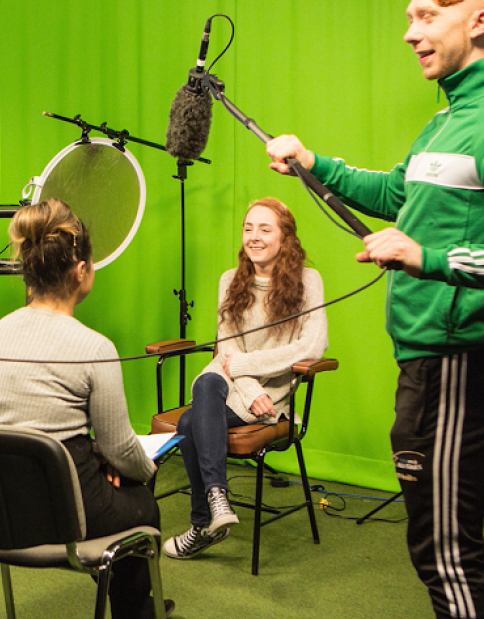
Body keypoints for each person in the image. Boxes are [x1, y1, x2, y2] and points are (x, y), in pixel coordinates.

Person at [265, 1, 484, 616]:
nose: (410, 32)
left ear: (478, 17)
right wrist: (312, 164)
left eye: (427, 14)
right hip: (427, 361)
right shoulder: (449, 119)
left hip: (454, 363)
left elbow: (432, 243)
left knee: (445, 551)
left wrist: (429, 257)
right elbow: (397, 193)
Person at [0, 198, 171, 618]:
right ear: (81, 270)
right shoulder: (94, 347)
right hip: (63, 515)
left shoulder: (0, 332)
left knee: (107, 470)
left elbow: (9, 418)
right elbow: (122, 451)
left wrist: (100, 456)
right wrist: (140, 469)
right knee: (143, 502)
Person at [161, 199, 328, 560]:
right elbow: (226, 350)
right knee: (206, 383)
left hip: (277, 393)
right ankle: (218, 499)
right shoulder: (231, 280)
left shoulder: (307, 281)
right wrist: (247, 386)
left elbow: (313, 345)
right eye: (248, 228)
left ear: (285, 239)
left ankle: (201, 524)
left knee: (190, 422)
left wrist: (245, 367)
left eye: (265, 229)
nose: (254, 237)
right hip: (230, 382)